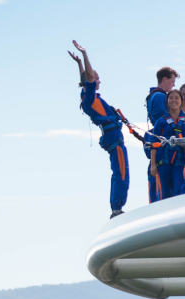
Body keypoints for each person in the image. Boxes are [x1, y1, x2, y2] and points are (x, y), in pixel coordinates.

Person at [69, 40, 129, 218]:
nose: (99, 80)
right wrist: (85, 54)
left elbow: (85, 78)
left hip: (112, 135)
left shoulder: (90, 97)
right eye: (96, 78)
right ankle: (117, 208)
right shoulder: (89, 98)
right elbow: (88, 79)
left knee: (119, 171)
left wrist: (79, 63)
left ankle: (116, 206)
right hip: (113, 137)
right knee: (121, 172)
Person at [149, 89, 185, 200]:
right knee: (164, 192)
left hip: (181, 160)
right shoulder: (161, 121)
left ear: (181, 101)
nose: (174, 100)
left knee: (179, 189)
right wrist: (153, 165)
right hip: (164, 161)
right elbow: (154, 144)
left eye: (177, 98)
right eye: (171, 98)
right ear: (167, 101)